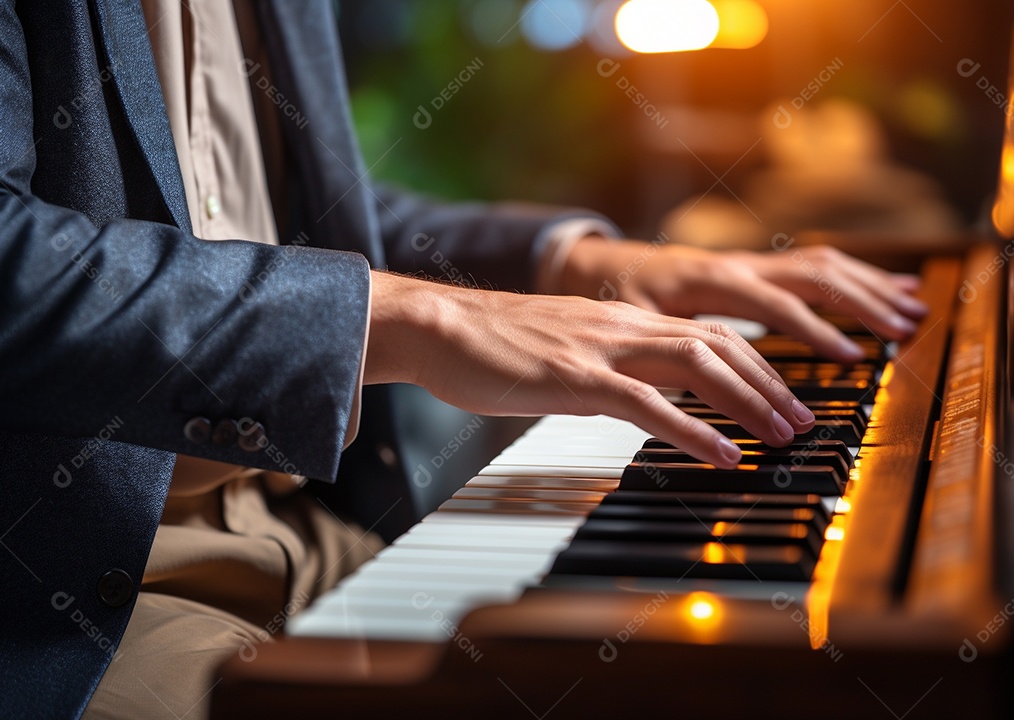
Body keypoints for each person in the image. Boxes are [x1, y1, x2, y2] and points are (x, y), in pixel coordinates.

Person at [0, 2, 927, 718]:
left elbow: (289, 215)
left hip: (308, 530)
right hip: (77, 589)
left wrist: (579, 260)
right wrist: (416, 315)